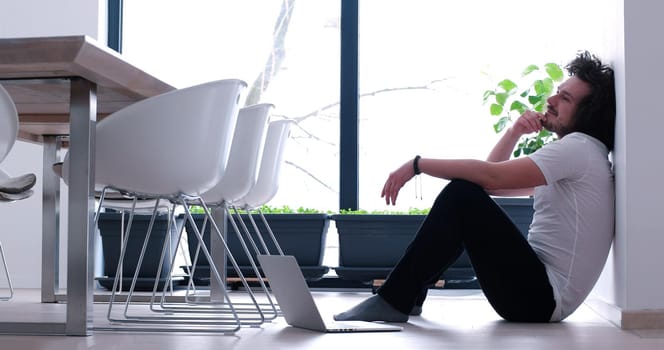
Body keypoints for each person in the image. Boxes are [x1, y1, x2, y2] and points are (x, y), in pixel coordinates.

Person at [334, 51, 616, 323]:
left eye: (565, 98)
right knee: (465, 193)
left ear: (586, 113)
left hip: (540, 298)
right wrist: (514, 131)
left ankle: (395, 298)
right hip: (537, 297)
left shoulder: (578, 149)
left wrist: (417, 164)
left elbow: (488, 179)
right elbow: (490, 186)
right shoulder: (583, 155)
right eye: (557, 91)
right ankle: (407, 295)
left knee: (461, 195)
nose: (551, 99)